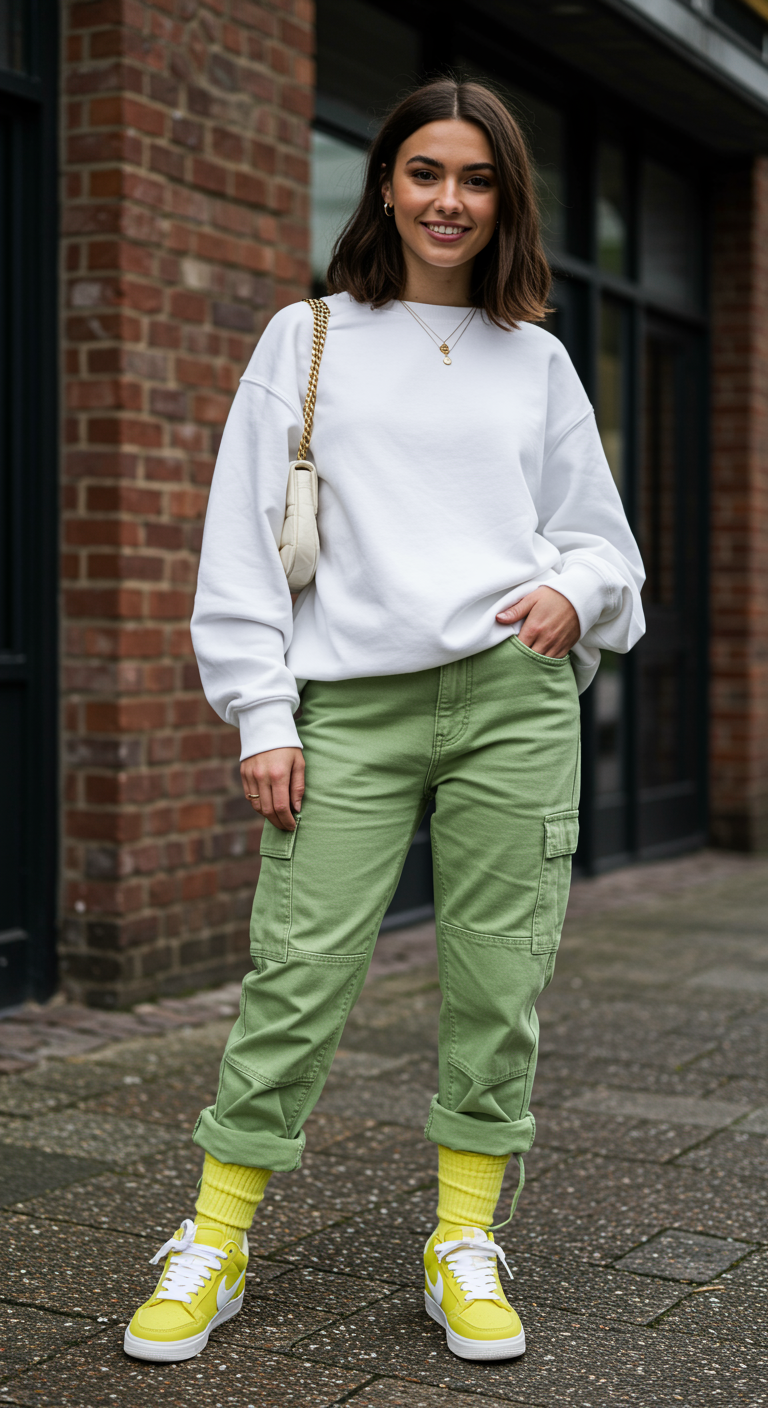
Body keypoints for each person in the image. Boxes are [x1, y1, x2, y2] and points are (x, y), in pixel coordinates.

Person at [124, 77, 644, 1365]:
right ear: (387, 188)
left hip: (511, 701)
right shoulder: (307, 338)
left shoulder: (540, 359)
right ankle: (216, 1236)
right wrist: (261, 715)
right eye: (424, 174)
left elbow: (604, 541)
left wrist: (572, 595)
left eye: (474, 180)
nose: (448, 202)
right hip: (345, 703)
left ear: (503, 197)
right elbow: (238, 545)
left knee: (498, 982)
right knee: (297, 975)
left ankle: (462, 1242)